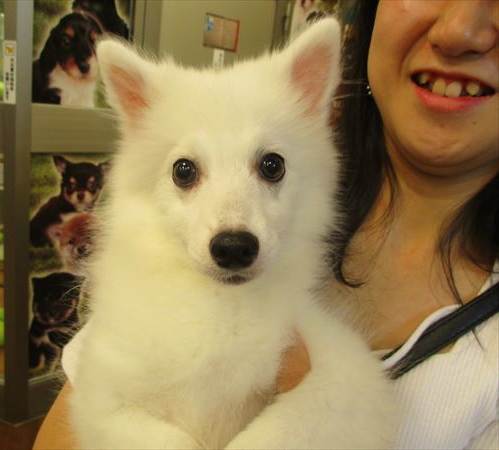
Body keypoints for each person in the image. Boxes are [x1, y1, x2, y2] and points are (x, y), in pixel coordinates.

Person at [34, 1, 498, 448]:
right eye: (186, 172)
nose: (461, 30)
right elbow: (92, 412)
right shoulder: (142, 285)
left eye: (270, 167)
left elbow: (358, 403)